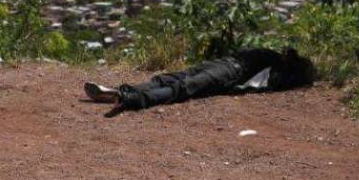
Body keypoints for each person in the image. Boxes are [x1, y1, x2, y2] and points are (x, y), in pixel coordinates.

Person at [84, 46, 315, 112]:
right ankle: (120, 94)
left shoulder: (275, 65)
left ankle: (127, 97)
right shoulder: (273, 61)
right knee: (174, 83)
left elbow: (258, 82)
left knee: (177, 84)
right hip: (224, 68)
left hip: (225, 69)